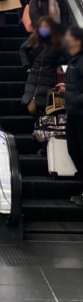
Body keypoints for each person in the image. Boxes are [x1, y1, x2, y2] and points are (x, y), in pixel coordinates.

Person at [57, 27, 83, 205]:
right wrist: (67, 89)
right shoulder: (75, 60)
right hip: (73, 113)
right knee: (74, 150)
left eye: (69, 37)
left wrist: (77, 99)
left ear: (77, 41)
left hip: (80, 113)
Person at [20, 18, 65, 117]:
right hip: (34, 79)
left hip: (49, 78)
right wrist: (27, 65)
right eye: (42, 27)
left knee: (46, 106)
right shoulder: (35, 39)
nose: (44, 29)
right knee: (32, 107)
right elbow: (23, 49)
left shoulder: (57, 43)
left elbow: (66, 57)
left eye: (46, 27)